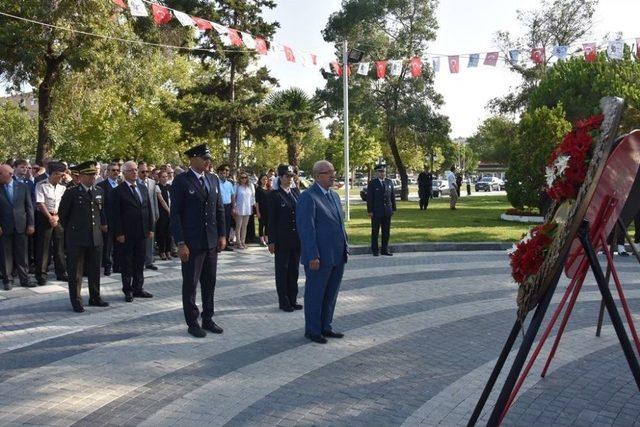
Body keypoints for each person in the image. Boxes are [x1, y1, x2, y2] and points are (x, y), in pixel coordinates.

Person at [170, 144, 226, 338]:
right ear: (193, 159)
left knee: (210, 282)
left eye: (208, 158)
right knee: (191, 284)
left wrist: (222, 234)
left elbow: (218, 209)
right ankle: (192, 322)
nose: (208, 161)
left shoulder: (212, 179)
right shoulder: (181, 181)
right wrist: (180, 243)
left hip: (211, 240)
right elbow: (175, 214)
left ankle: (208, 318)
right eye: (204, 158)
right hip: (192, 243)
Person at [296, 160, 348, 344]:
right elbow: (306, 229)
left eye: (333, 171)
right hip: (319, 257)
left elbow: (339, 225)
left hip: (337, 255)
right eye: (328, 172)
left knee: (331, 294)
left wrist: (345, 247)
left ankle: (326, 326)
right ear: (317, 176)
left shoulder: (334, 196)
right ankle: (312, 330)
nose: (333, 175)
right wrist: (312, 255)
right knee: (315, 294)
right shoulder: (308, 197)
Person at [57, 161, 109, 312]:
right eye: (89, 175)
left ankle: (95, 297)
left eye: (94, 175)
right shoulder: (72, 192)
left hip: (95, 236)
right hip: (77, 238)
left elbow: (101, 211)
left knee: (95, 269)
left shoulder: (99, 191)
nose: (93, 178)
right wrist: (73, 230)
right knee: (76, 272)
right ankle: (76, 300)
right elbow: (63, 215)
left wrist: (103, 225)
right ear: (81, 177)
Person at [112, 161, 154, 302]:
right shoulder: (118, 191)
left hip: (142, 232)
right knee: (127, 263)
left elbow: (148, 209)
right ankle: (127, 289)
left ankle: (138, 288)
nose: (135, 172)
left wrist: (150, 228)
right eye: (131, 170)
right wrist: (119, 233)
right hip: (127, 233)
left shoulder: (142, 188)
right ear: (124, 173)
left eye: (136, 170)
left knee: (139, 261)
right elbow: (115, 215)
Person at [268, 165, 302, 312]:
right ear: (280, 177)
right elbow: (271, 220)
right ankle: (284, 301)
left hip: (296, 239)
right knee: (282, 270)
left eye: (292, 176)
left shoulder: (296, 192)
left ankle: (293, 299)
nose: (290, 179)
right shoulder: (274, 195)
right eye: (287, 176)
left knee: (294, 270)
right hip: (282, 239)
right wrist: (272, 241)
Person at [0, 164, 35, 290]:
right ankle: (7, 280)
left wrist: (31, 224)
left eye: (0, 174)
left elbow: (29, 207)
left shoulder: (22, 186)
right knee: (5, 254)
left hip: (21, 225)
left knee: (22, 254)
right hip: (4, 227)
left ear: (9, 174)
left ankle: (24, 279)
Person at [34, 162, 68, 286]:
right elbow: (40, 203)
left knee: (59, 245)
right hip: (44, 217)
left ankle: (61, 272)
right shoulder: (41, 185)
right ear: (53, 174)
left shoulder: (62, 187)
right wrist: (49, 217)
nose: (61, 178)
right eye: (59, 175)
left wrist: (57, 217)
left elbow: (64, 204)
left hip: (58, 217)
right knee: (43, 246)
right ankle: (41, 274)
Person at [96, 162, 121, 276]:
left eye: (117, 170)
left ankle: (118, 265)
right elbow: (100, 206)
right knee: (107, 245)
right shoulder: (102, 185)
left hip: (120, 220)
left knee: (119, 243)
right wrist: (103, 222)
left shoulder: (121, 184)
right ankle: (107, 266)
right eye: (113, 170)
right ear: (108, 172)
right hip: (108, 220)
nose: (116, 172)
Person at [366, 162, 396, 256]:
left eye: (383, 172)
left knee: (386, 231)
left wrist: (393, 208)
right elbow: (369, 198)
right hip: (376, 211)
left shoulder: (389, 182)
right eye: (380, 172)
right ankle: (375, 250)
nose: (382, 173)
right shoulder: (372, 183)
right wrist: (370, 211)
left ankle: (385, 249)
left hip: (387, 211)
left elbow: (392, 196)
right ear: (377, 173)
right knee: (375, 231)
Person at [138, 161, 159, 271]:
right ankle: (140, 261)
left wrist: (156, 213)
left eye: (147, 171)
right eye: (142, 171)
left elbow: (154, 199)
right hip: (140, 216)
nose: (145, 173)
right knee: (141, 240)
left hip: (151, 215)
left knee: (151, 238)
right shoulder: (135, 183)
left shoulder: (152, 182)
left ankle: (149, 261)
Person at [233, 172, 255, 249]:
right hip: (239, 208)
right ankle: (238, 242)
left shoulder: (250, 186)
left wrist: (252, 207)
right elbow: (234, 197)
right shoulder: (237, 186)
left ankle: (243, 241)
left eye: (245, 177)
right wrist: (234, 207)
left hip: (247, 208)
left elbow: (252, 198)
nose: (244, 179)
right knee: (238, 226)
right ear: (240, 178)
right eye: (242, 177)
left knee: (245, 226)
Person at [216, 164, 235, 251]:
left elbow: (232, 196)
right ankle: (218, 244)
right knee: (219, 224)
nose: (224, 174)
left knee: (227, 225)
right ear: (218, 173)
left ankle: (226, 243)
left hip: (228, 206)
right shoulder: (216, 183)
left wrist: (233, 207)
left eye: (225, 173)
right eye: (221, 173)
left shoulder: (230, 184)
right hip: (219, 206)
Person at [156, 170, 172, 260]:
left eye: (166, 176)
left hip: (170, 212)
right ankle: (162, 251)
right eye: (163, 177)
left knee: (169, 233)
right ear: (159, 178)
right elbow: (161, 200)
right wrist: (168, 210)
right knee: (161, 233)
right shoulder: (157, 187)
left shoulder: (170, 186)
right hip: (162, 213)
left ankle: (168, 251)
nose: (165, 178)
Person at [255, 173, 270, 247]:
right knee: (261, 225)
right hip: (261, 209)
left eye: (266, 179)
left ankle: (266, 238)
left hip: (268, 210)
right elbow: (257, 202)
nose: (265, 180)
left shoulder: (269, 188)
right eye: (263, 179)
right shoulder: (258, 189)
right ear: (260, 180)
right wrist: (257, 212)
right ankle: (261, 240)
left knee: (267, 225)